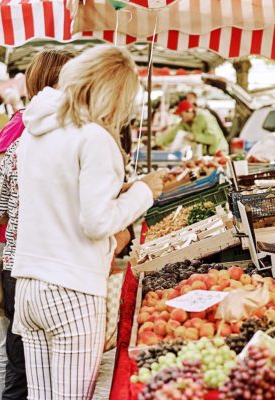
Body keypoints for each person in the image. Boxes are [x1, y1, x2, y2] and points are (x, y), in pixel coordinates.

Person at [13, 44, 164, 399]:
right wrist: (144, 192)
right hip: (72, 287)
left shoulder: (34, 131)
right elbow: (97, 223)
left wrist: (119, 188)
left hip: (30, 285)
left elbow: (55, 193)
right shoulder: (93, 137)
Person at [0, 49, 75, 400]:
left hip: (21, 250)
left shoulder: (38, 124)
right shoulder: (25, 124)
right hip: (14, 249)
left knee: (18, 355)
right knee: (12, 354)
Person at [156, 100, 229, 155]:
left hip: (219, 152)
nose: (180, 117)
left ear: (189, 111)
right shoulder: (185, 122)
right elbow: (172, 134)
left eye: (181, 115)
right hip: (206, 155)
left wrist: (195, 137)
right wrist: (156, 142)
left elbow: (213, 139)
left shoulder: (205, 117)